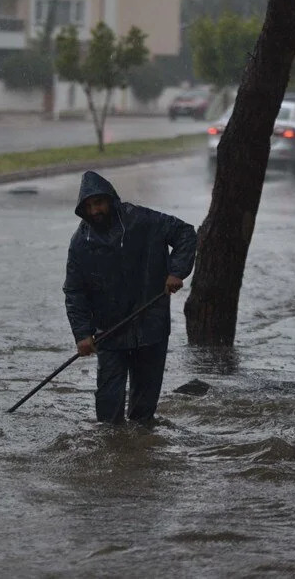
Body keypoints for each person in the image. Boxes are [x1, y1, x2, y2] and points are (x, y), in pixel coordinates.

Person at [63, 171, 197, 423]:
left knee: (143, 414)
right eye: (89, 206)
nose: (95, 211)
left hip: (151, 325)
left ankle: (140, 454)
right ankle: (113, 454)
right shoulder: (81, 243)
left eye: (99, 203)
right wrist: (82, 333)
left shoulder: (143, 220)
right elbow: (74, 291)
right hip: (110, 332)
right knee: (107, 412)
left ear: (110, 200)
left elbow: (185, 234)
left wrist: (176, 271)